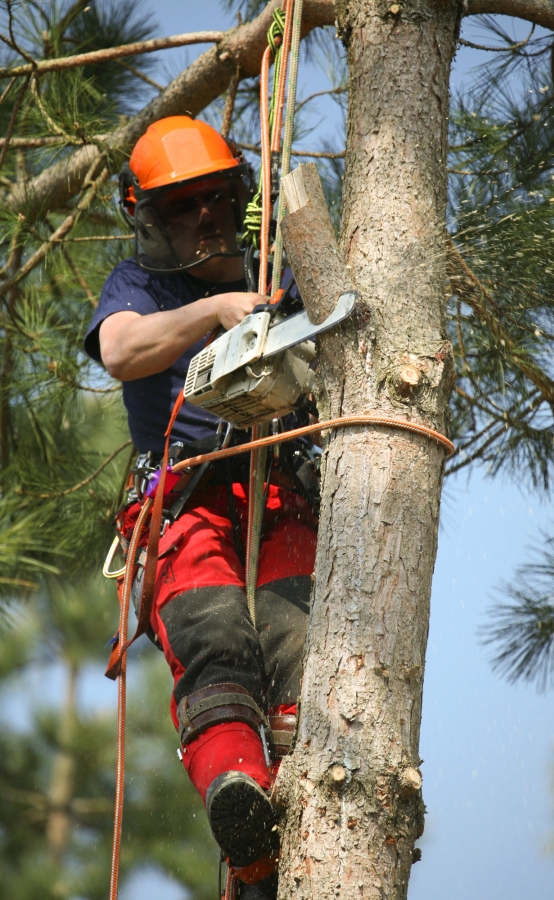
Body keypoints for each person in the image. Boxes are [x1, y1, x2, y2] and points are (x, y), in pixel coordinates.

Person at [84, 116, 318, 900]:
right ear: (149, 215)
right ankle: (239, 805)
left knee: (304, 649)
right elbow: (119, 350)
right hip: (184, 506)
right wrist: (216, 312)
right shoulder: (141, 289)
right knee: (215, 638)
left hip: (280, 493)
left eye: (215, 198)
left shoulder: (277, 276)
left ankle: (308, 807)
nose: (204, 217)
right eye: (183, 206)